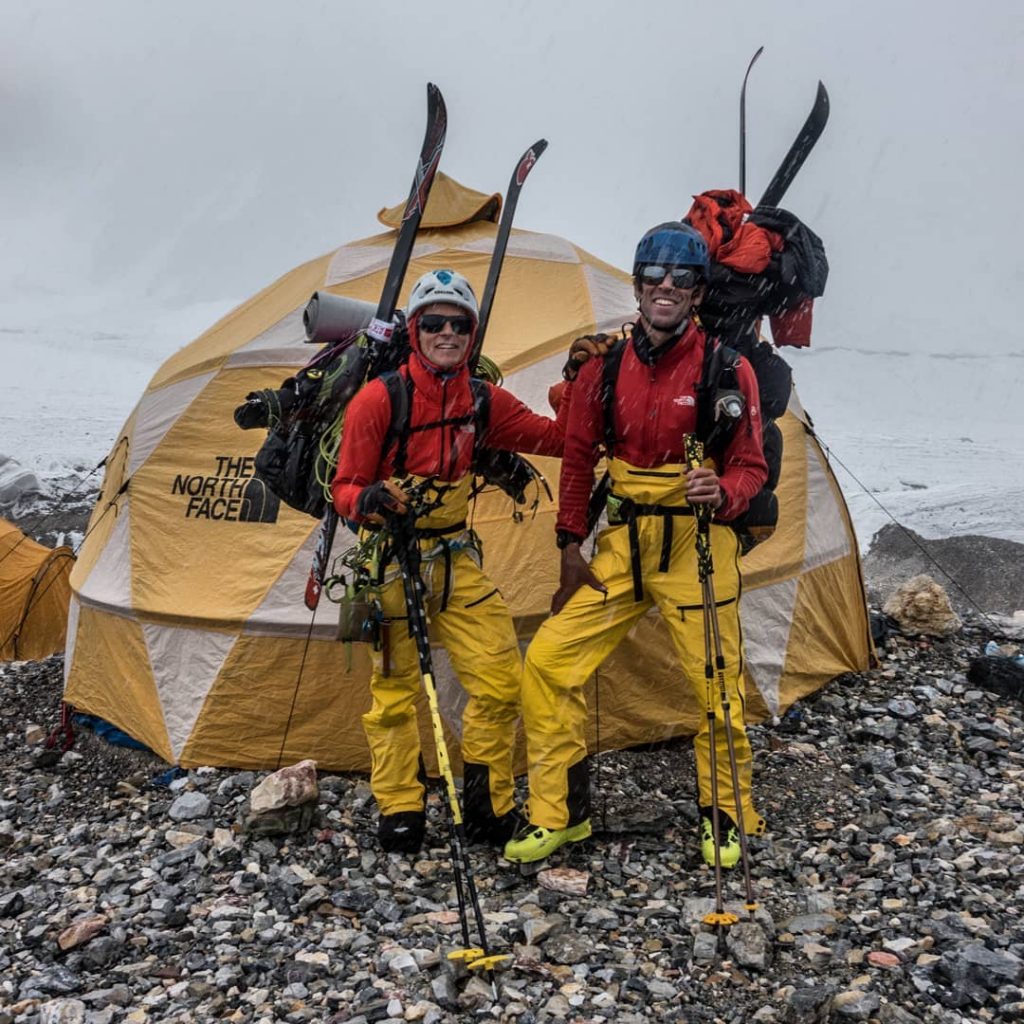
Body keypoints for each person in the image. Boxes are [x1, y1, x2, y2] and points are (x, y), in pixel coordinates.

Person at [504, 222, 769, 867]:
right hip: (623, 546)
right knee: (547, 662)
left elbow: (752, 467)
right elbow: (575, 458)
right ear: (638, 283)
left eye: (681, 278)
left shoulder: (726, 369)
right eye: (654, 276)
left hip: (697, 546)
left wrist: (724, 492)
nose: (666, 288)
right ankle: (559, 813)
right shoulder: (604, 367)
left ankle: (726, 816)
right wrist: (571, 542)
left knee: (718, 687)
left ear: (698, 291)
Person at [331, 268, 571, 855]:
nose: (446, 333)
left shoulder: (483, 401)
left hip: (456, 561)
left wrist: (575, 388)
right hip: (392, 561)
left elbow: (558, 438)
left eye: (457, 324)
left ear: (472, 333)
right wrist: (368, 500)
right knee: (394, 691)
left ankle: (488, 806)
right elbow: (344, 487)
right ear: (414, 331)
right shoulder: (377, 399)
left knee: (498, 681)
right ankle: (401, 807)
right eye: (433, 323)